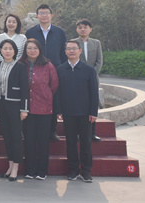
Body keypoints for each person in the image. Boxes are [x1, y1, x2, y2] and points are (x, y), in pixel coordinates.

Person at [55, 40, 99, 183]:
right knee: (71, 143)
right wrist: (59, 110)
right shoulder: (60, 69)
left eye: (74, 48)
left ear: (80, 51)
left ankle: (86, 171)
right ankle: (73, 170)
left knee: (86, 142)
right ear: (65, 52)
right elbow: (57, 92)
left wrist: (93, 112)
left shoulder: (89, 70)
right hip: (68, 113)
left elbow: (94, 93)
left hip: (85, 114)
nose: (71, 51)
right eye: (68, 49)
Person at [25, 4, 67, 141]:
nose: (44, 15)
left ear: (51, 15)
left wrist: (62, 68)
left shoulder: (59, 32)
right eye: (41, 13)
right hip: (36, 68)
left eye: (46, 13)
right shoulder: (30, 32)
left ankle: (52, 130)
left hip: (56, 68)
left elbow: (63, 53)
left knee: (53, 98)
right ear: (37, 16)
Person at [18, 38, 59, 180]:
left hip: (44, 109)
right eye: (29, 48)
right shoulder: (20, 65)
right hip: (26, 109)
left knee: (43, 141)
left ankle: (42, 171)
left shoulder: (48, 65)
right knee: (29, 141)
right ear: (25, 50)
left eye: (35, 48)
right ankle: (30, 170)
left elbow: (54, 85)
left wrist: (44, 96)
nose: (32, 51)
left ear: (40, 50)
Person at [0, 39, 29, 181]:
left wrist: (24, 109)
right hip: (1, 105)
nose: (7, 51)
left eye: (10, 48)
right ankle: (9, 166)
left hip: (15, 105)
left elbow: (25, 89)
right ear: (0, 51)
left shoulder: (20, 67)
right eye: (4, 48)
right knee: (7, 137)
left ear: (15, 51)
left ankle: (15, 167)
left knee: (16, 137)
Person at [75, 19, 104, 141]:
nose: (83, 29)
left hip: (93, 78)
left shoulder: (96, 43)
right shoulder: (73, 43)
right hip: (77, 79)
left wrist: (91, 74)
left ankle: (92, 133)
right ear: (77, 29)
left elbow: (99, 61)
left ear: (90, 29)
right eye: (80, 27)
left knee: (92, 104)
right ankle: (77, 132)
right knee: (77, 105)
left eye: (85, 27)